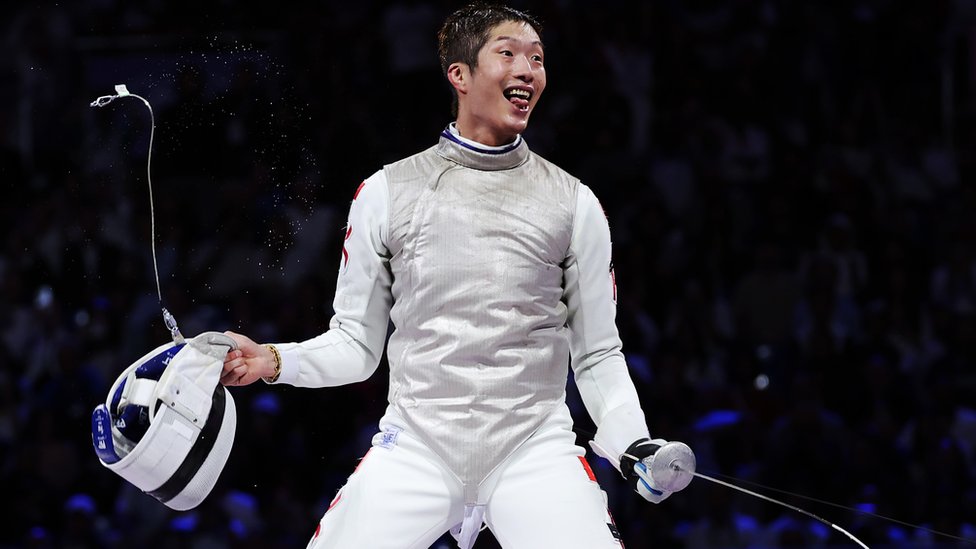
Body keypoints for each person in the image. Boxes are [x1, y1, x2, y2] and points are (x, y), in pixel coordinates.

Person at [220, 4, 687, 548]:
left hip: (534, 446)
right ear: (459, 75)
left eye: (537, 58)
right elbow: (356, 345)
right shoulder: (387, 193)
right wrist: (274, 360)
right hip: (416, 444)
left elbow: (598, 354)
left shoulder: (574, 204)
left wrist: (633, 444)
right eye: (508, 53)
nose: (528, 70)